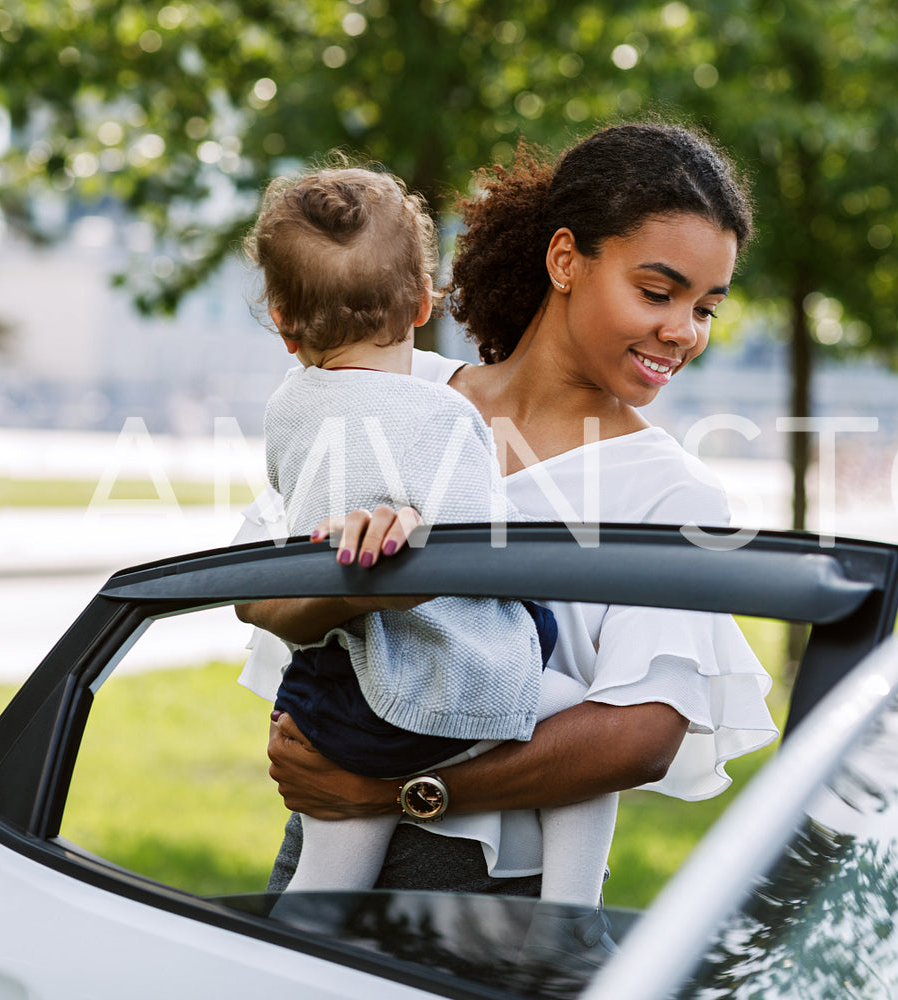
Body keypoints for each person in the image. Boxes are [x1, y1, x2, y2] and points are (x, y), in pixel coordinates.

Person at [236, 122, 776, 931]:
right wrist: (360, 583)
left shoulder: (671, 491)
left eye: (705, 307)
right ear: (565, 260)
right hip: (320, 832)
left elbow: (640, 736)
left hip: (491, 903)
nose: (683, 330)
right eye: (657, 292)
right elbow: (256, 592)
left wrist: (400, 791)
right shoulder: (386, 382)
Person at [243, 164, 618, 916]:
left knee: (321, 887)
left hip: (331, 697)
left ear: (283, 323)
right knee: (576, 711)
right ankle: (570, 919)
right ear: (422, 301)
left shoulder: (287, 408)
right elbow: (483, 549)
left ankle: (281, 962)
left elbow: (283, 531)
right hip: (434, 678)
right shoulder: (440, 415)